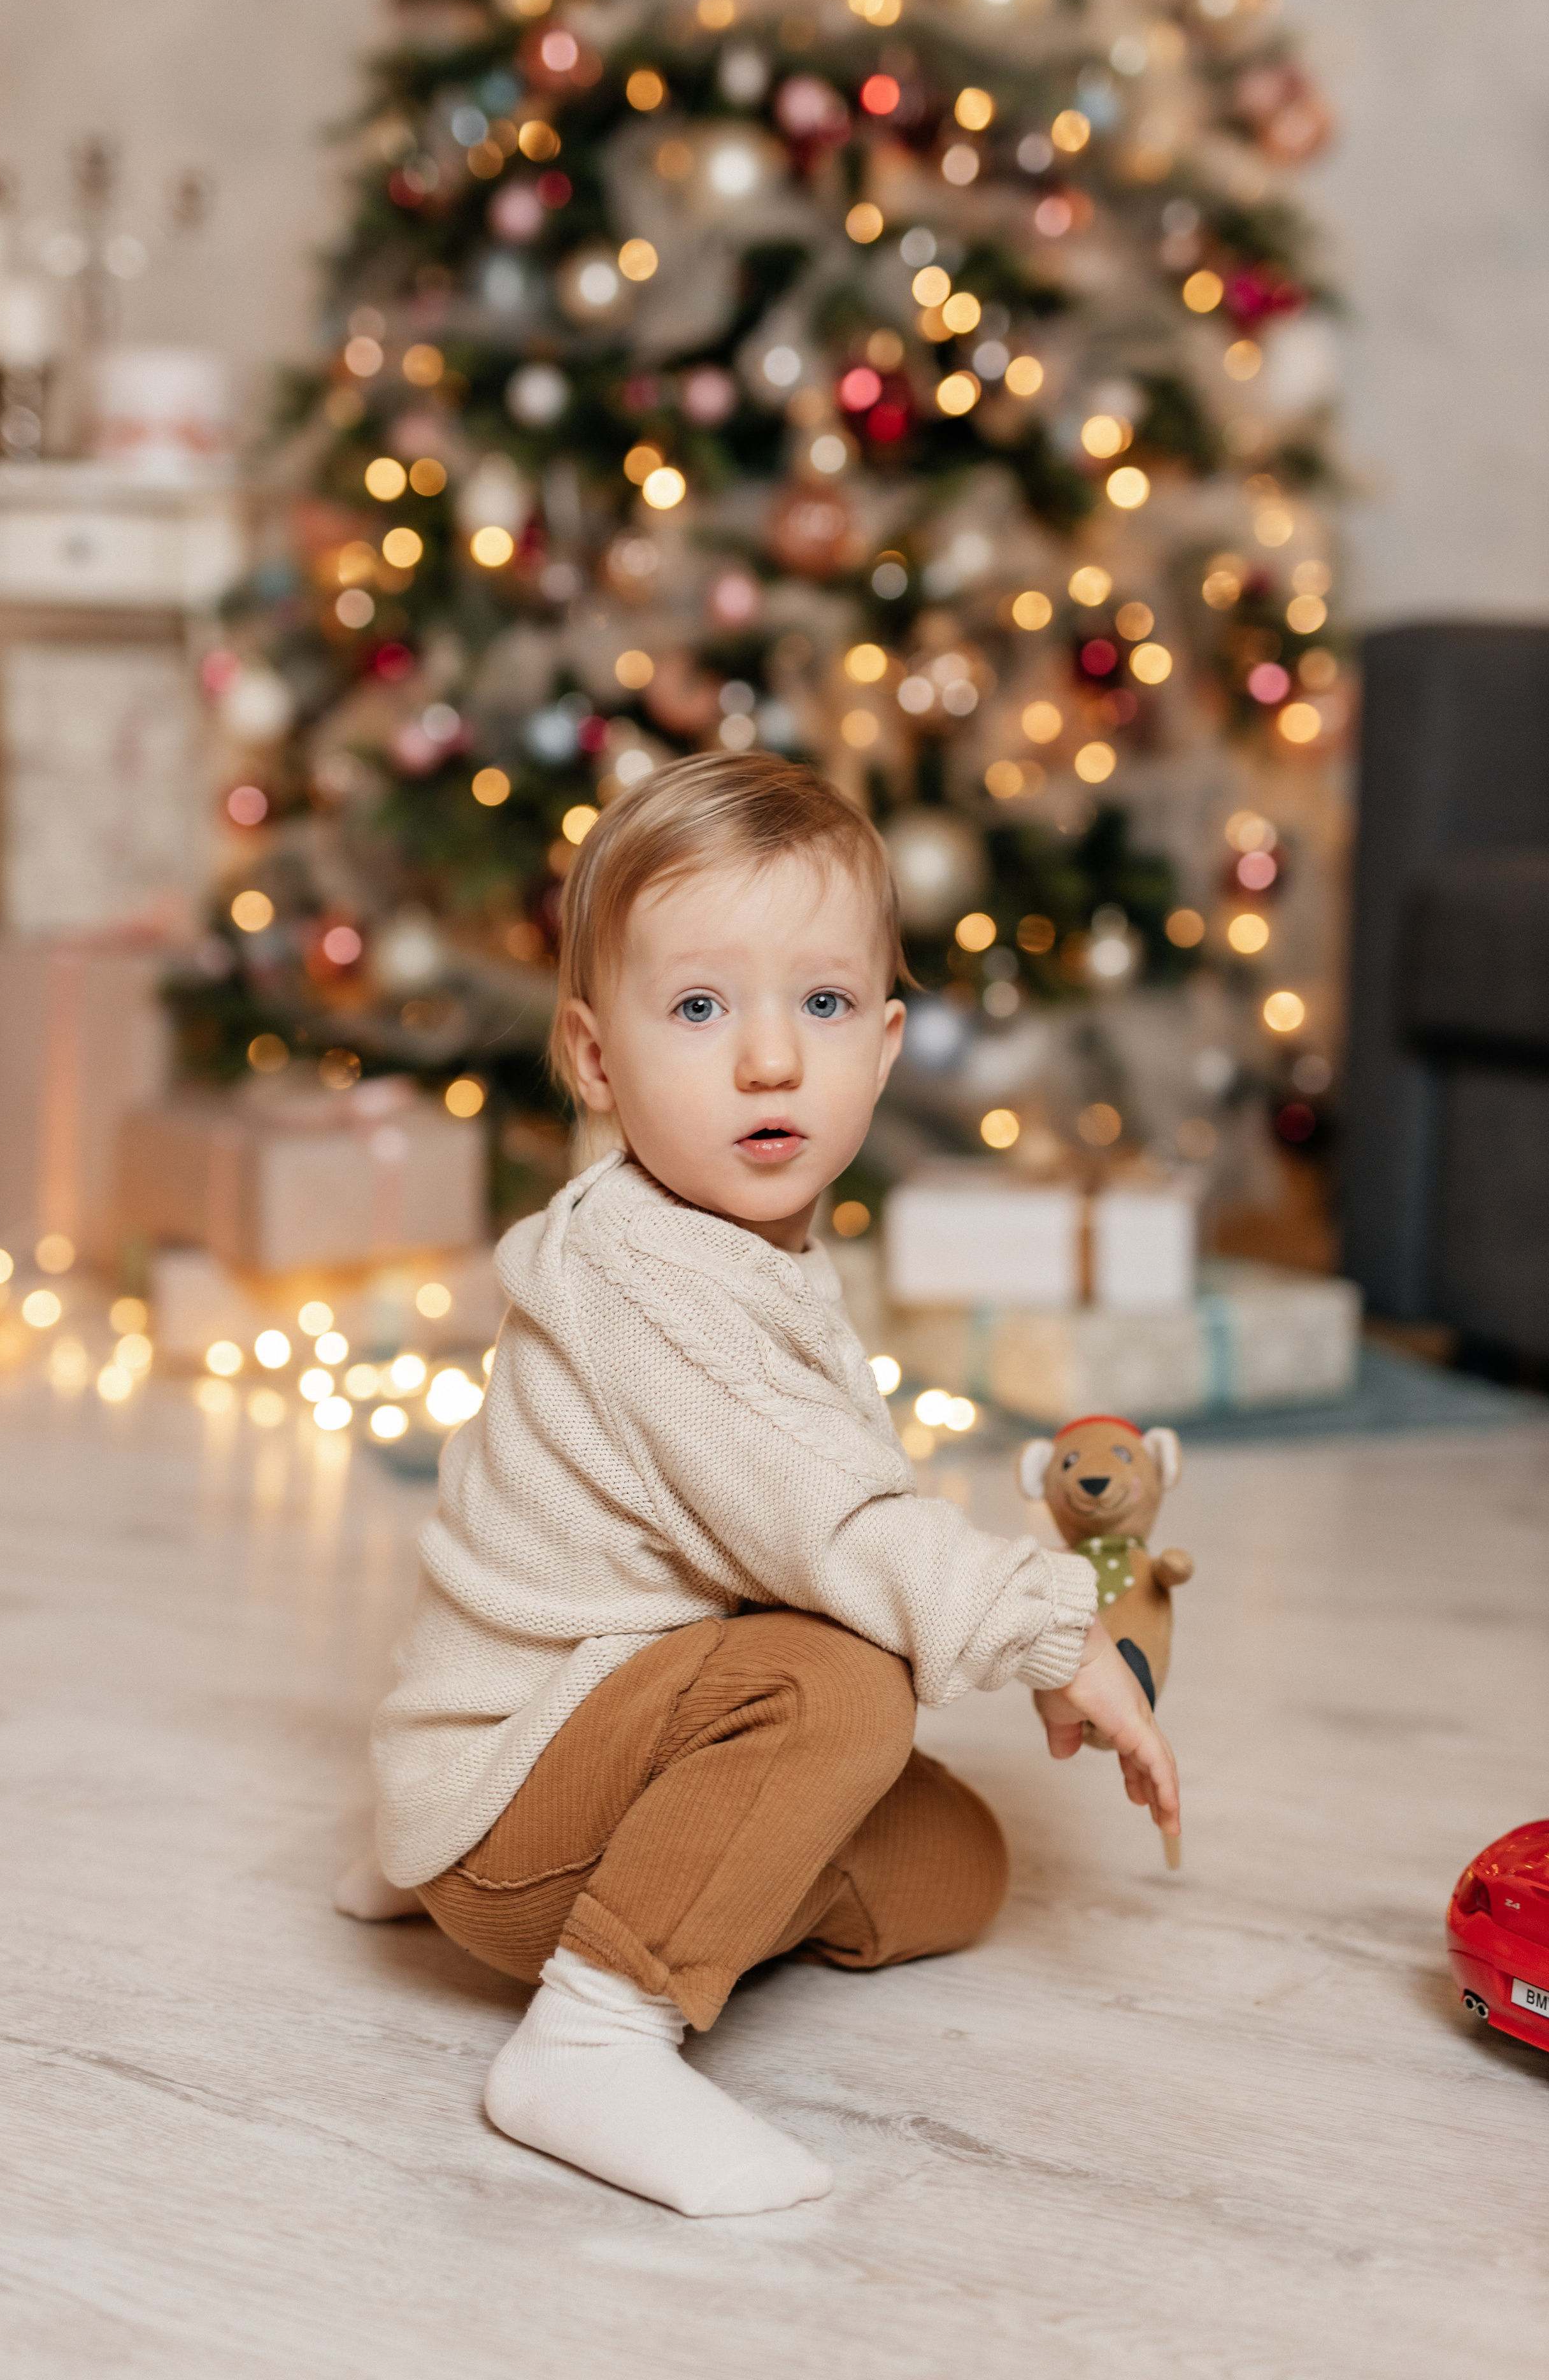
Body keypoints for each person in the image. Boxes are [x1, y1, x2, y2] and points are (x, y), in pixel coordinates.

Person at [338, 749, 1180, 2218]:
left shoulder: (744, 1240)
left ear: (885, 1042)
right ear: (597, 1062)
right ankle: (592, 2033)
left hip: (603, 1723)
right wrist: (1052, 1630)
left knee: (955, 1868)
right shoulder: (643, 1272)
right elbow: (831, 1521)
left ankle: (661, 1880)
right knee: (837, 1684)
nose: (769, 1059)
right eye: (699, 1008)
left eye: (823, 1004)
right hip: (520, 1790)